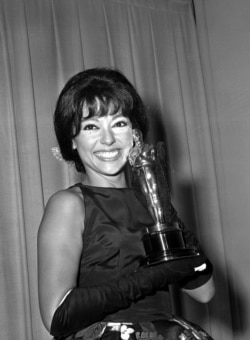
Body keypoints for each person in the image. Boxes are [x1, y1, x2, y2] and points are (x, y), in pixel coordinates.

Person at [37, 68, 215, 340]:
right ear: (72, 140)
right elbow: (57, 317)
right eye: (91, 127)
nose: (107, 139)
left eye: (119, 123)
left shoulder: (149, 201)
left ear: (135, 132)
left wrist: (166, 216)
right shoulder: (69, 204)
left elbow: (204, 291)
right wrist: (154, 275)